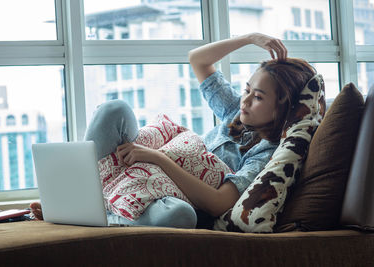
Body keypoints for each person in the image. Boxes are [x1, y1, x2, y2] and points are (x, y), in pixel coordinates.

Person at [30, 32, 317, 229]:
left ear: (282, 109)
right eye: (246, 90)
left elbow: (219, 204)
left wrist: (158, 158)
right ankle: (79, 199)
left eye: (258, 97)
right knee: (114, 110)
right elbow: (198, 59)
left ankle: (96, 214)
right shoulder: (236, 114)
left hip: (172, 199)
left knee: (179, 216)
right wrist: (250, 38)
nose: (245, 100)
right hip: (145, 173)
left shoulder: (266, 154)